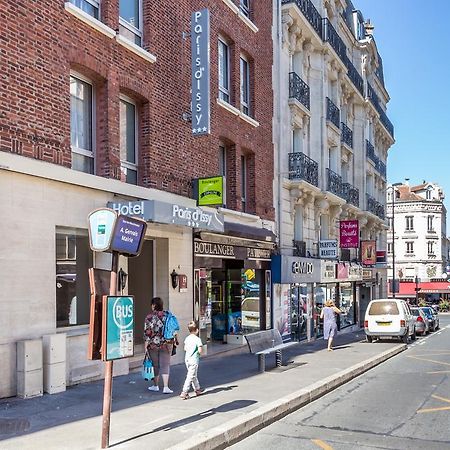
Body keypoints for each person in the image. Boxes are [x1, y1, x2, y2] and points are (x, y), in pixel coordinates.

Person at [144, 297, 177, 394]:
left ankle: (156, 385)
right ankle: (166, 387)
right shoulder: (167, 315)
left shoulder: (149, 317)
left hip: (153, 344)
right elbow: (173, 329)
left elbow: (147, 333)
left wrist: (145, 346)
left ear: (154, 305)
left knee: (155, 365)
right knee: (165, 364)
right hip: (167, 343)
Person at [180, 321, 204, 400]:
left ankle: (197, 389)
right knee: (190, 376)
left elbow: (185, 348)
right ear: (197, 330)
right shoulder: (197, 339)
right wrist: (199, 353)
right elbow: (200, 350)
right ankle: (184, 391)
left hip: (187, 359)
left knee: (193, 375)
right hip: (194, 359)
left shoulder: (187, 338)